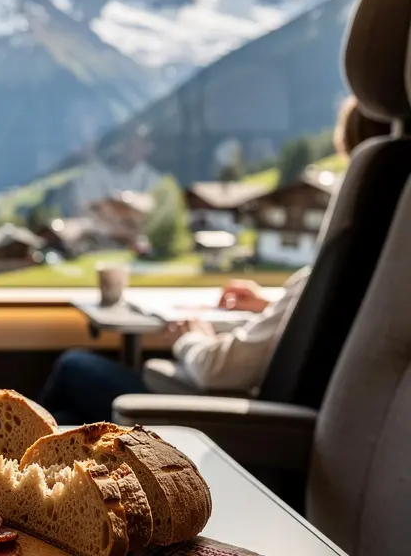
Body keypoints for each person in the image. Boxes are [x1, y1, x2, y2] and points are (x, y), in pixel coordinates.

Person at [38, 97, 391, 425]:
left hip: (228, 419)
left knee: (74, 366)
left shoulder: (330, 270)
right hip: (237, 402)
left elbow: (217, 370)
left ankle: (9, 478)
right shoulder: (375, 268)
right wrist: (272, 306)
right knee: (70, 416)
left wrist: (193, 335)